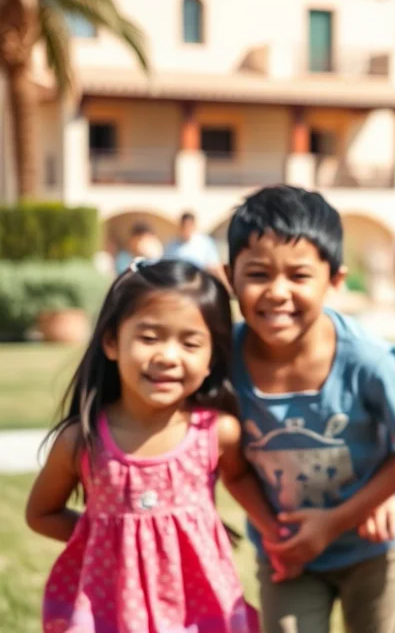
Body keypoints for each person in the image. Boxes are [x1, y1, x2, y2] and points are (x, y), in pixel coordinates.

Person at [224, 185, 395, 633]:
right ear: (230, 277)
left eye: (299, 276)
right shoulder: (224, 364)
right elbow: (234, 467)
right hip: (290, 555)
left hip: (373, 548)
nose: (277, 292)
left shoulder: (366, 359)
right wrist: (281, 538)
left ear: (335, 280)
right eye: (258, 274)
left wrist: (343, 518)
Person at [26, 259, 279, 632]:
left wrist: (276, 533)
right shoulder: (81, 442)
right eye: (149, 338)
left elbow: (239, 479)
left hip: (198, 607)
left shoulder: (219, 433)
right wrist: (107, 540)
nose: (167, 356)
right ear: (112, 342)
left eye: (190, 342)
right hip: (111, 608)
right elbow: (41, 513)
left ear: (212, 358)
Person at [166, 211, 223, 278]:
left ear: (194, 226)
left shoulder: (205, 243)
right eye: (184, 226)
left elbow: (215, 266)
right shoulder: (172, 245)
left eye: (189, 226)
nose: (187, 229)